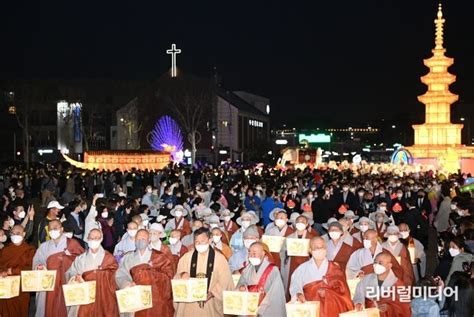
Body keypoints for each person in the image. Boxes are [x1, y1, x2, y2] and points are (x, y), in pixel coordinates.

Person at [174, 227, 234, 317]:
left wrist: (213, 293)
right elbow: (177, 277)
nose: (199, 244)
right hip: (189, 306)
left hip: (211, 303)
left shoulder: (219, 258)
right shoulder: (186, 258)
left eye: (202, 241)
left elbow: (225, 280)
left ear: (210, 240)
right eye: (196, 242)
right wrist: (182, 274)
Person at [115, 229, 175, 317]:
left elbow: (168, 276)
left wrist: (151, 275)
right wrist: (127, 283)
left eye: (143, 239)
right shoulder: (128, 257)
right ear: (135, 240)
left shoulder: (159, 257)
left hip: (154, 298)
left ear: (148, 240)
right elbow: (120, 274)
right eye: (138, 239)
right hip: (134, 298)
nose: (140, 241)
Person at [290, 236, 354, 317]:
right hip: (310, 310)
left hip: (332, 310)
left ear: (326, 249)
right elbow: (295, 286)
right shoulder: (302, 269)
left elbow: (344, 293)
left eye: (322, 247)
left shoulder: (334, 268)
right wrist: (298, 294)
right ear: (310, 250)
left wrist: (328, 293)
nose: (320, 249)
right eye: (316, 247)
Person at [32, 219, 84, 317]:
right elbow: (37, 261)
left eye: (55, 228)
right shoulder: (43, 246)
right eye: (50, 228)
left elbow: (81, 261)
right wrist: (39, 267)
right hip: (48, 283)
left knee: (64, 308)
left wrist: (66, 259)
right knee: (46, 307)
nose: (53, 230)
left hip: (65, 281)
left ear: (61, 229)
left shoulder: (72, 244)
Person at [65, 228, 118, 317]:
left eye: (96, 238)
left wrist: (100, 275)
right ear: (87, 239)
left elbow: (116, 276)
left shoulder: (109, 258)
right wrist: (76, 278)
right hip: (85, 296)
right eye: (91, 238)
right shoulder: (80, 259)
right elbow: (70, 272)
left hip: (103, 296)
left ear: (101, 239)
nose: (93, 240)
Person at [353, 252, 412, 316]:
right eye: (375, 262)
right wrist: (358, 303)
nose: (376, 265)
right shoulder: (366, 279)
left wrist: (389, 307)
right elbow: (358, 294)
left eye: (380, 263)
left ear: (389, 266)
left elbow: (404, 307)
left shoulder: (397, 284)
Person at [237, 242, 286, 317]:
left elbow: (275, 294)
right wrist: (242, 287)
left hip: (265, 310)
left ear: (263, 254)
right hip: (248, 308)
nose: (251, 256)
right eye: (249, 253)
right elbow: (241, 283)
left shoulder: (273, 270)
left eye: (254, 253)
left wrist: (260, 309)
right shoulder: (248, 269)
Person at [0, 224, 36, 317]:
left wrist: (13, 271)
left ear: (24, 234)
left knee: (20, 310)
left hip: (21, 287)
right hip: (5, 285)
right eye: (13, 233)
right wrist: (2, 272)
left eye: (18, 233)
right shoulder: (5, 250)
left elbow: (31, 268)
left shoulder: (30, 250)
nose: (15, 235)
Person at [283, 215, 318, 293]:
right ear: (295, 224)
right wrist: (287, 251)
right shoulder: (289, 238)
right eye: (298, 222)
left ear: (306, 224)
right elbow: (283, 252)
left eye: (303, 222)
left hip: (306, 264)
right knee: (291, 284)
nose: (300, 223)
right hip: (292, 264)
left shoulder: (312, 238)